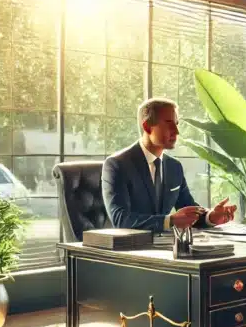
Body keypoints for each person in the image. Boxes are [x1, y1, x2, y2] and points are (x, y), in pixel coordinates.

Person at [101, 97, 237, 232]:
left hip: (166, 248)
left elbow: (189, 210)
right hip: (131, 249)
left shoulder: (174, 167)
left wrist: (211, 217)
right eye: (169, 124)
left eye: (176, 124)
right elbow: (121, 219)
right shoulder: (117, 165)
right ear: (147, 127)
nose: (176, 132)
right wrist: (170, 221)